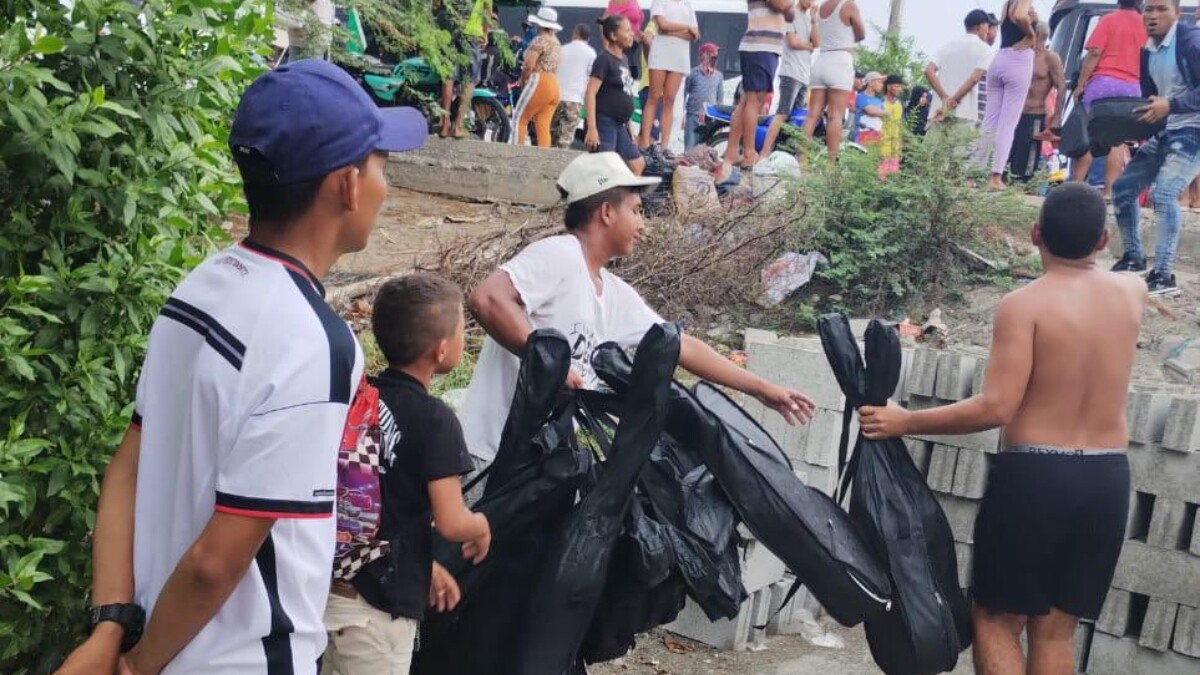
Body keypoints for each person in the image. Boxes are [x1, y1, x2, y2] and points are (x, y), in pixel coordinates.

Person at [53, 60, 427, 675]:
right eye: (380, 162)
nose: (385, 183)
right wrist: (137, 666)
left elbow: (128, 464)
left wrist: (110, 626)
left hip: (158, 633)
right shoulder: (314, 343)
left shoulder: (201, 286)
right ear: (348, 185)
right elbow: (217, 559)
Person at [860, 183, 1146, 675]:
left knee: (995, 619)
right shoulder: (1131, 292)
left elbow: (995, 408)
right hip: (1108, 480)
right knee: (1056, 629)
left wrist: (906, 421)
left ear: (1035, 233)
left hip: (1037, 477)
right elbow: (1135, 282)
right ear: (1103, 242)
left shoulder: (1023, 305)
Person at [459, 152, 817, 481]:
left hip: (533, 465)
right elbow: (488, 298)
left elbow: (681, 345)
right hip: (490, 457)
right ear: (606, 212)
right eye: (636, 210)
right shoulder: (560, 254)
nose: (642, 224)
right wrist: (550, 364)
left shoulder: (612, 292)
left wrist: (761, 389)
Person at [323, 275, 492, 674]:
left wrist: (424, 566)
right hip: (377, 615)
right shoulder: (435, 420)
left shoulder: (358, 398)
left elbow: (378, 500)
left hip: (327, 593)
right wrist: (481, 526)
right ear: (442, 349)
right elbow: (451, 522)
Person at [1110, 0, 1200, 296]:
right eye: (1148, 9)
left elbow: (1169, 101)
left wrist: (1170, 105)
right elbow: (1152, 100)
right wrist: (1130, 128)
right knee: (1123, 188)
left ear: (1176, 13)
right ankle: (1134, 258)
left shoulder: (1190, 40)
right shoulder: (1146, 51)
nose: (1152, 15)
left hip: (1194, 129)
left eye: (1161, 9)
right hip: (1168, 129)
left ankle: (1163, 275)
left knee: (1164, 193)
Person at [1070, 0, 1149, 197]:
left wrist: (1081, 84)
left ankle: (1075, 186)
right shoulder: (1146, 24)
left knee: (1088, 134)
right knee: (1117, 141)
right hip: (1132, 87)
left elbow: (1095, 52)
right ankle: (1108, 191)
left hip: (1103, 83)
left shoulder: (1109, 20)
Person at [716, 0, 799, 183]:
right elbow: (782, 5)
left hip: (764, 47)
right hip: (760, 46)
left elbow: (790, 15)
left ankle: (732, 152)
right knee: (754, 101)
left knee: (747, 101)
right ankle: (748, 152)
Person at [972, 0, 1038, 189]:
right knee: (1007, 124)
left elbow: (1011, 19)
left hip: (1000, 57)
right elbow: (1019, 15)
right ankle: (995, 176)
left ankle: (974, 172)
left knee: (989, 120)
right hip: (1019, 60)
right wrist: (1031, 34)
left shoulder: (1008, 3)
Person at [799, 0, 864, 164]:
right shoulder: (848, 5)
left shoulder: (821, 7)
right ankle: (830, 165)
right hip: (841, 61)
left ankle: (802, 158)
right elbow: (861, 34)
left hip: (822, 60)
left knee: (812, 115)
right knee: (835, 116)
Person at [638, 0, 700, 160]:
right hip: (660, 53)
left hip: (679, 57)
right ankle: (644, 142)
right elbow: (662, 25)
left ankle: (664, 145)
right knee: (654, 96)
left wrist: (674, 31)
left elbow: (695, 35)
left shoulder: (688, 5)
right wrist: (686, 27)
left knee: (670, 100)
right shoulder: (660, 1)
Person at [586, 15, 645, 175]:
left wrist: (630, 125)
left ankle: (628, 199)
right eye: (627, 30)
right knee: (605, 168)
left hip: (620, 125)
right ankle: (602, 198)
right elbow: (590, 93)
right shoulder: (604, 59)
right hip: (605, 122)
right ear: (613, 36)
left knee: (637, 164)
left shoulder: (625, 59)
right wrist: (592, 129)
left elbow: (626, 92)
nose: (632, 33)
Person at [761, 0, 819, 158]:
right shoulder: (790, 14)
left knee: (795, 118)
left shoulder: (809, 19)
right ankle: (764, 153)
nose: (812, 2)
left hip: (804, 76)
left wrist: (814, 21)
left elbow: (817, 43)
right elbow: (792, 42)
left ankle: (781, 153)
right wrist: (808, 45)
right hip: (790, 73)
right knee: (783, 113)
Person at [1009, 23, 1065, 183]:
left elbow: (1061, 86)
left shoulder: (1050, 58)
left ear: (1037, 35)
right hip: (1013, 113)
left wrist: (1057, 117)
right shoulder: (1019, 54)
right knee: (1009, 159)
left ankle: (1023, 189)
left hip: (1034, 114)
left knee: (1027, 164)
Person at [926, 9, 998, 128]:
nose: (988, 30)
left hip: (938, 111)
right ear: (979, 26)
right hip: (965, 114)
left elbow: (929, 70)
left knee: (934, 147)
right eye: (987, 25)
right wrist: (953, 100)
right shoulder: (985, 49)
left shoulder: (948, 45)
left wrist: (944, 98)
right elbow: (975, 78)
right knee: (962, 146)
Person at [438, 0, 493, 139]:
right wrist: (485, 33)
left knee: (448, 76)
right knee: (469, 80)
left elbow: (437, 4)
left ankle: (444, 125)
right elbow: (487, 10)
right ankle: (458, 126)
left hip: (449, 31)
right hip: (471, 33)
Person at [512, 7, 564, 148]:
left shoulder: (539, 40)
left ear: (539, 24)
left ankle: (515, 152)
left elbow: (529, 65)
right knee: (543, 125)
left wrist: (524, 79)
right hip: (554, 85)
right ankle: (543, 160)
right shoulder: (557, 42)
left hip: (540, 81)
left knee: (519, 118)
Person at [554, 24, 598, 149]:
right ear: (588, 39)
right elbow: (591, 77)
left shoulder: (562, 49)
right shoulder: (591, 53)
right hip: (574, 100)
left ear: (575, 34)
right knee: (564, 140)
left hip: (556, 97)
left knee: (552, 135)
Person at [683, 42, 725, 151]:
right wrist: (683, 116)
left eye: (716, 54)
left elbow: (720, 99)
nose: (715, 56)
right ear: (704, 55)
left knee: (705, 149)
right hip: (693, 116)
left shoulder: (718, 76)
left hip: (709, 119)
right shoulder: (692, 73)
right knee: (690, 148)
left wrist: (719, 120)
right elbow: (684, 94)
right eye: (712, 53)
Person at [607, 0, 646, 80]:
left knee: (628, 63)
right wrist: (606, 44)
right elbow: (605, 21)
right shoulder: (614, 3)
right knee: (627, 63)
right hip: (622, 40)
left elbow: (639, 18)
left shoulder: (634, 2)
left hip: (635, 40)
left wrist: (638, 32)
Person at [879, 74, 905, 175]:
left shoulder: (899, 103)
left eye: (900, 86)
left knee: (894, 176)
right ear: (889, 87)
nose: (900, 89)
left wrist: (901, 146)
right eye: (897, 86)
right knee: (881, 175)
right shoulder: (880, 102)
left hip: (895, 146)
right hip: (881, 144)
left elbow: (900, 124)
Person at [852, 71, 886, 145]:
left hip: (877, 137)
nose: (882, 85)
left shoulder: (879, 101)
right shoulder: (860, 96)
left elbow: (885, 116)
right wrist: (882, 112)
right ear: (870, 83)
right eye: (879, 82)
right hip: (862, 136)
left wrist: (879, 112)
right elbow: (871, 111)